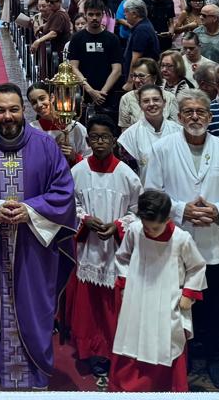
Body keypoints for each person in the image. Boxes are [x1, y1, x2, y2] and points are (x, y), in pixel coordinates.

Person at [0, 83, 77, 388]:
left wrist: (32, 211)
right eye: (0, 110)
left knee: (34, 311)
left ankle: (33, 379)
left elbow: (64, 192)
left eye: (13, 109)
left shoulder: (45, 146)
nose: (7, 116)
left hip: (33, 252)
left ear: (23, 110)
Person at [141, 89, 219, 389]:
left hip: (216, 244)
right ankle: (180, 360)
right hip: (177, 242)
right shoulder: (163, 149)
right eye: (188, 111)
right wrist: (181, 209)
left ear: (210, 117)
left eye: (201, 111)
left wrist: (218, 211)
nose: (195, 116)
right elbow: (151, 194)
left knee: (215, 307)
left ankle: (216, 358)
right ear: (179, 116)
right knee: (178, 306)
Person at [107, 188, 206, 393]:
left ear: (167, 218)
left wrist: (188, 293)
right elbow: (123, 257)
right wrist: (125, 282)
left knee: (166, 341)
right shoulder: (135, 230)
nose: (149, 231)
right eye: (146, 226)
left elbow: (197, 267)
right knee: (132, 338)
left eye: (155, 227)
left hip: (167, 300)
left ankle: (165, 388)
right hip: (138, 295)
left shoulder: (181, 238)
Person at [67, 115, 140, 385]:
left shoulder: (127, 175)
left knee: (112, 306)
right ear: (87, 141)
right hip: (88, 248)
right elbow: (69, 206)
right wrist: (84, 218)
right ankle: (89, 350)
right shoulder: (77, 172)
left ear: (114, 140)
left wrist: (119, 225)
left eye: (105, 137)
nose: (99, 142)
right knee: (89, 306)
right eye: (94, 138)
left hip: (114, 251)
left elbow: (137, 212)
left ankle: (111, 351)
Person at [67, 1, 123, 115]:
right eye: (91, 14)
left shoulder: (112, 39)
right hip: (83, 91)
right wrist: (90, 90)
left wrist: (102, 92)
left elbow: (117, 69)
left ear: (102, 15)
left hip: (106, 93)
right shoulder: (77, 38)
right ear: (85, 15)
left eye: (97, 14)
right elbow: (73, 67)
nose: (94, 18)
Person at [118, 85, 181, 172]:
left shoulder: (179, 131)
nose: (151, 104)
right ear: (140, 105)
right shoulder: (129, 136)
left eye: (156, 99)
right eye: (146, 101)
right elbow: (129, 172)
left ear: (164, 103)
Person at [120, 0, 160, 81]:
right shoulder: (143, 25)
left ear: (134, 14)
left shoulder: (141, 30)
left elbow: (135, 59)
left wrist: (130, 81)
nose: (124, 15)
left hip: (140, 79)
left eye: (126, 12)